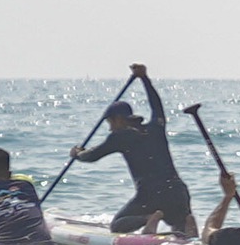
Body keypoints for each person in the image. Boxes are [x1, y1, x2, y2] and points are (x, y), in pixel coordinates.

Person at [70, 65, 196, 235]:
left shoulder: (120, 137)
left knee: (117, 225)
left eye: (110, 123)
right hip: (178, 192)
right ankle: (187, 222)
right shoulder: (156, 127)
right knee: (180, 230)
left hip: (150, 195)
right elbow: (156, 105)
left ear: (119, 119)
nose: (110, 129)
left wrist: (78, 154)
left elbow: (93, 155)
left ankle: (149, 218)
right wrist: (145, 78)